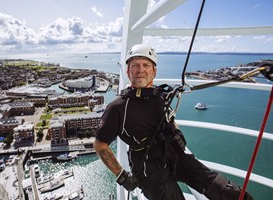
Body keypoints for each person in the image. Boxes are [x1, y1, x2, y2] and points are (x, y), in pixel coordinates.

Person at [94, 44, 254, 200]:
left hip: (175, 154)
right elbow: (100, 144)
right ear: (128, 71)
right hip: (148, 168)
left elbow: (168, 118)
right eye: (135, 65)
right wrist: (122, 176)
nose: (141, 70)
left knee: (226, 190)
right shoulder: (118, 107)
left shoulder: (161, 97)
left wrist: (176, 132)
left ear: (154, 71)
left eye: (146, 65)